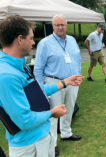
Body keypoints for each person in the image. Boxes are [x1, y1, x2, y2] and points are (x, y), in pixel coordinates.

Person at [0, 16, 83, 157]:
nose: (33, 42)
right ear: (20, 39)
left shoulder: (20, 64)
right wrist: (52, 113)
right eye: (31, 38)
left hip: (42, 137)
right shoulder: (6, 75)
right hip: (28, 145)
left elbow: (36, 92)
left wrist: (65, 82)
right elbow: (24, 120)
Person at [34, 15, 82, 156]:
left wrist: (78, 76)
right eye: (57, 25)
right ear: (52, 26)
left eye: (63, 25)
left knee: (69, 108)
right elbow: (38, 68)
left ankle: (66, 133)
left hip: (73, 82)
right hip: (54, 82)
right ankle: (53, 143)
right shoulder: (45, 43)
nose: (60, 27)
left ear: (66, 25)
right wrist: (40, 88)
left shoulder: (72, 40)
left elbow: (77, 59)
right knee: (54, 113)